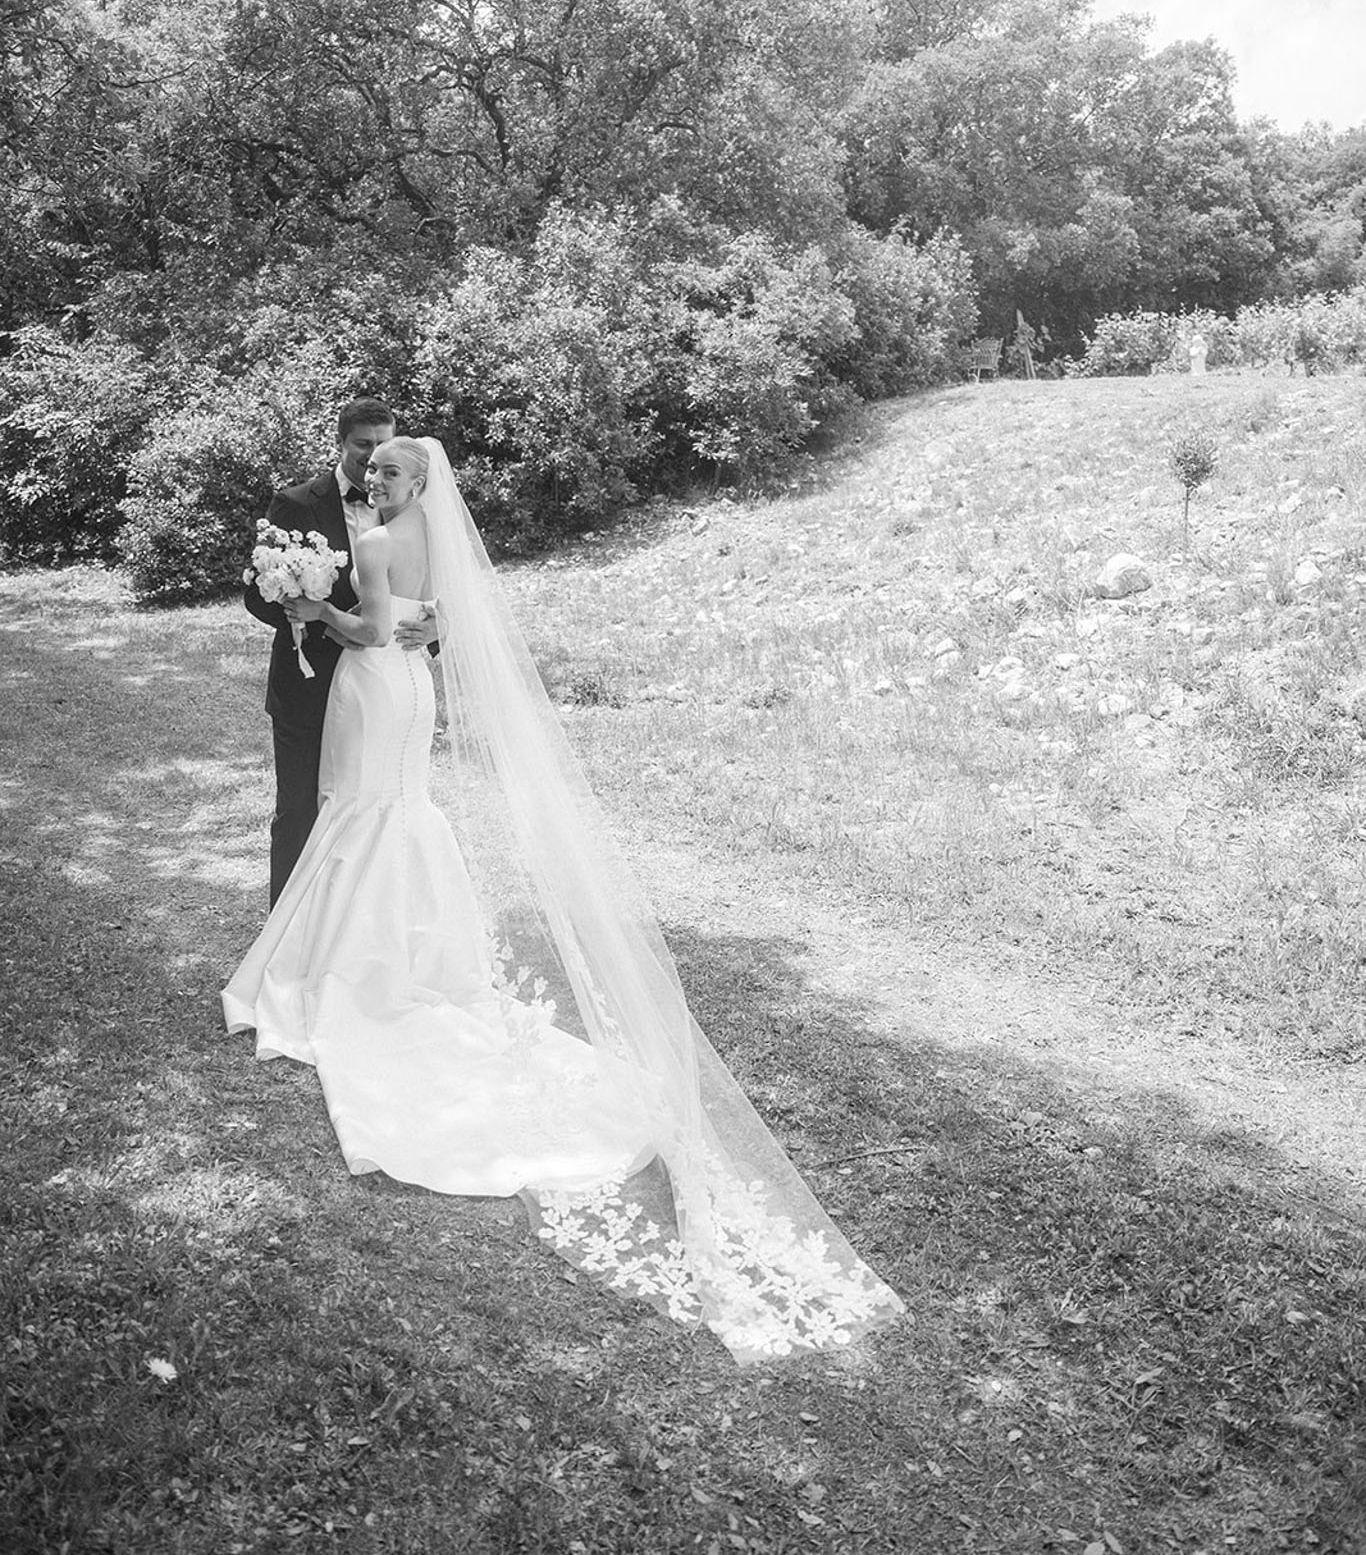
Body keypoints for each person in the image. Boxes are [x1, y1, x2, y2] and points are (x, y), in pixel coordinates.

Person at [224, 437, 904, 1362]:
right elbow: (429, 629)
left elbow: (376, 631)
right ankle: (393, 950)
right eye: (372, 471)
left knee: (365, 813)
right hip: (412, 692)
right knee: (394, 813)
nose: (375, 482)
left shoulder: (380, 543)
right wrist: (374, 614)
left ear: (418, 480)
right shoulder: (426, 534)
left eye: (389, 472)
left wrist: (313, 605)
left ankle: (349, 963)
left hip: (376, 684)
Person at [244, 398, 435, 907]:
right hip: (309, 684)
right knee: (301, 809)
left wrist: (439, 623)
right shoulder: (297, 502)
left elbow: (438, 589)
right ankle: (287, 926)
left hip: (379, 687)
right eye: (364, 447)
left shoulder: (413, 510)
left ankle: (365, 918)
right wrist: (312, 617)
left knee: (374, 804)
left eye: (383, 446)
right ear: (341, 443)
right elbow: (256, 593)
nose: (373, 459)